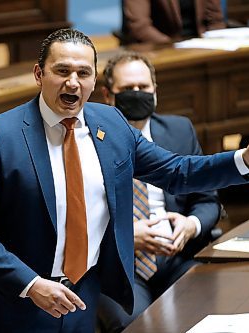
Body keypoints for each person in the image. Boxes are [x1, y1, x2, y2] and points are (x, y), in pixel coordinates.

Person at [0, 27, 249, 333]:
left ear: (94, 80)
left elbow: (176, 171)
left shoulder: (110, 123)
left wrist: (245, 159)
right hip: (18, 305)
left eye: (83, 73)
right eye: (62, 71)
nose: (73, 82)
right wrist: (30, 284)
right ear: (39, 74)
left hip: (82, 295)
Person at [97, 51, 222, 332]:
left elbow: (207, 200)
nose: (137, 93)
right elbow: (76, 222)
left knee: (208, 313)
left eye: (143, 87)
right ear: (108, 94)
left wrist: (191, 225)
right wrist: (126, 236)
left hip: (177, 257)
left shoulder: (179, 130)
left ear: (155, 90)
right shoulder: (88, 142)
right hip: (120, 266)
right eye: (128, 89)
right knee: (137, 326)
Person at [121, 0, 226, 44]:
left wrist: (216, 42)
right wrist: (172, 46)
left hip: (202, 46)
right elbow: (139, 27)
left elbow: (215, 20)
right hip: (161, 48)